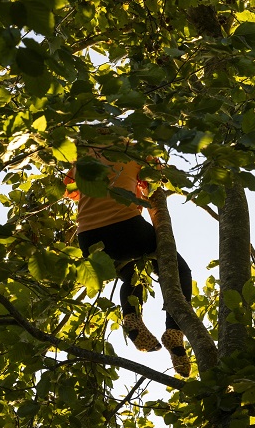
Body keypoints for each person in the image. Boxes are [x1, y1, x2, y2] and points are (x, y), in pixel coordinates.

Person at [65, 147, 193, 378]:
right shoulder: (137, 152)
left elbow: (71, 191)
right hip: (126, 227)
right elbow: (154, 184)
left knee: (132, 275)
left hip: (89, 239)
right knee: (179, 269)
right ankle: (174, 331)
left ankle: (131, 318)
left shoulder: (81, 158)